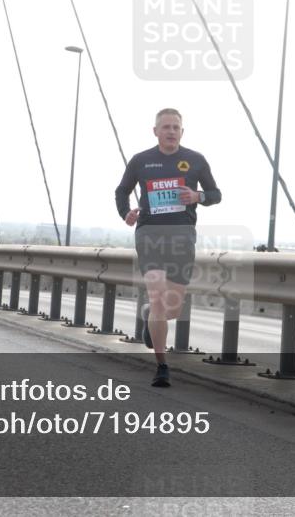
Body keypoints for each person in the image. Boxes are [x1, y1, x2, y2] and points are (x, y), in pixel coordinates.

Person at [114, 108, 221, 387]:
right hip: (150, 234)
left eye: (175, 127)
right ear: (156, 131)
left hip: (182, 236)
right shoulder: (141, 161)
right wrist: (126, 212)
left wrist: (198, 196)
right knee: (159, 297)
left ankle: (150, 315)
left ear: (182, 132)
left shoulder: (196, 161)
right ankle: (162, 366)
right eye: (166, 127)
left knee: (171, 307)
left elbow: (216, 194)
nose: (171, 131)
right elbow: (121, 191)